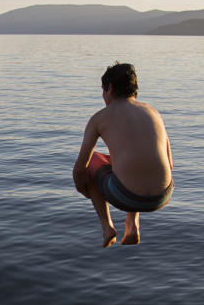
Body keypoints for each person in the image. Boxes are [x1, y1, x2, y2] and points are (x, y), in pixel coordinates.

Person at [73, 62, 173, 247]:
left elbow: (80, 168)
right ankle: (132, 223)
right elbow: (170, 163)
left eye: (103, 90)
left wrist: (84, 189)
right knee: (128, 161)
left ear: (109, 89)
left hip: (126, 197)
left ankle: (107, 227)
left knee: (93, 160)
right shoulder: (153, 112)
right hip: (163, 195)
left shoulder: (100, 118)